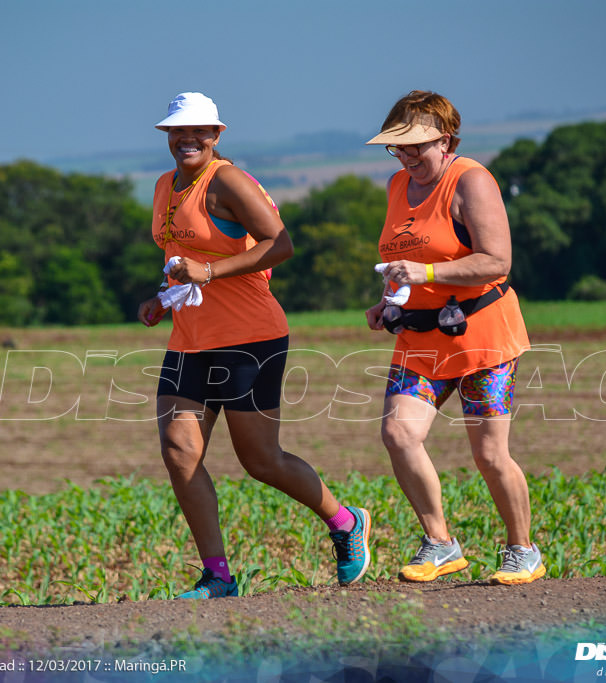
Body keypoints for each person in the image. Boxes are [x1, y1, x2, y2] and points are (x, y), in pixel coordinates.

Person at [138, 92, 371, 599]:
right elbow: (183, 257)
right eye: (178, 131)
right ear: (167, 136)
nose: (188, 139)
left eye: (200, 131)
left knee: (260, 460)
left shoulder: (228, 181)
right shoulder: (164, 186)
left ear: (217, 135)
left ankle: (346, 521)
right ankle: (218, 576)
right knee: (179, 452)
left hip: (250, 338)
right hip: (190, 338)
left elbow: (280, 244)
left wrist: (209, 272)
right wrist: (164, 298)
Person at [364, 90, 545, 585]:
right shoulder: (397, 186)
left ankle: (522, 549)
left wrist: (423, 272)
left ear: (445, 140)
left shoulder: (472, 181)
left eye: (414, 147)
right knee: (399, 434)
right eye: (396, 149)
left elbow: (496, 262)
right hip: (420, 339)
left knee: (489, 453)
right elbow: (403, 260)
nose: (405, 158)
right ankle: (441, 543)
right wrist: (389, 301)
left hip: (481, 335)